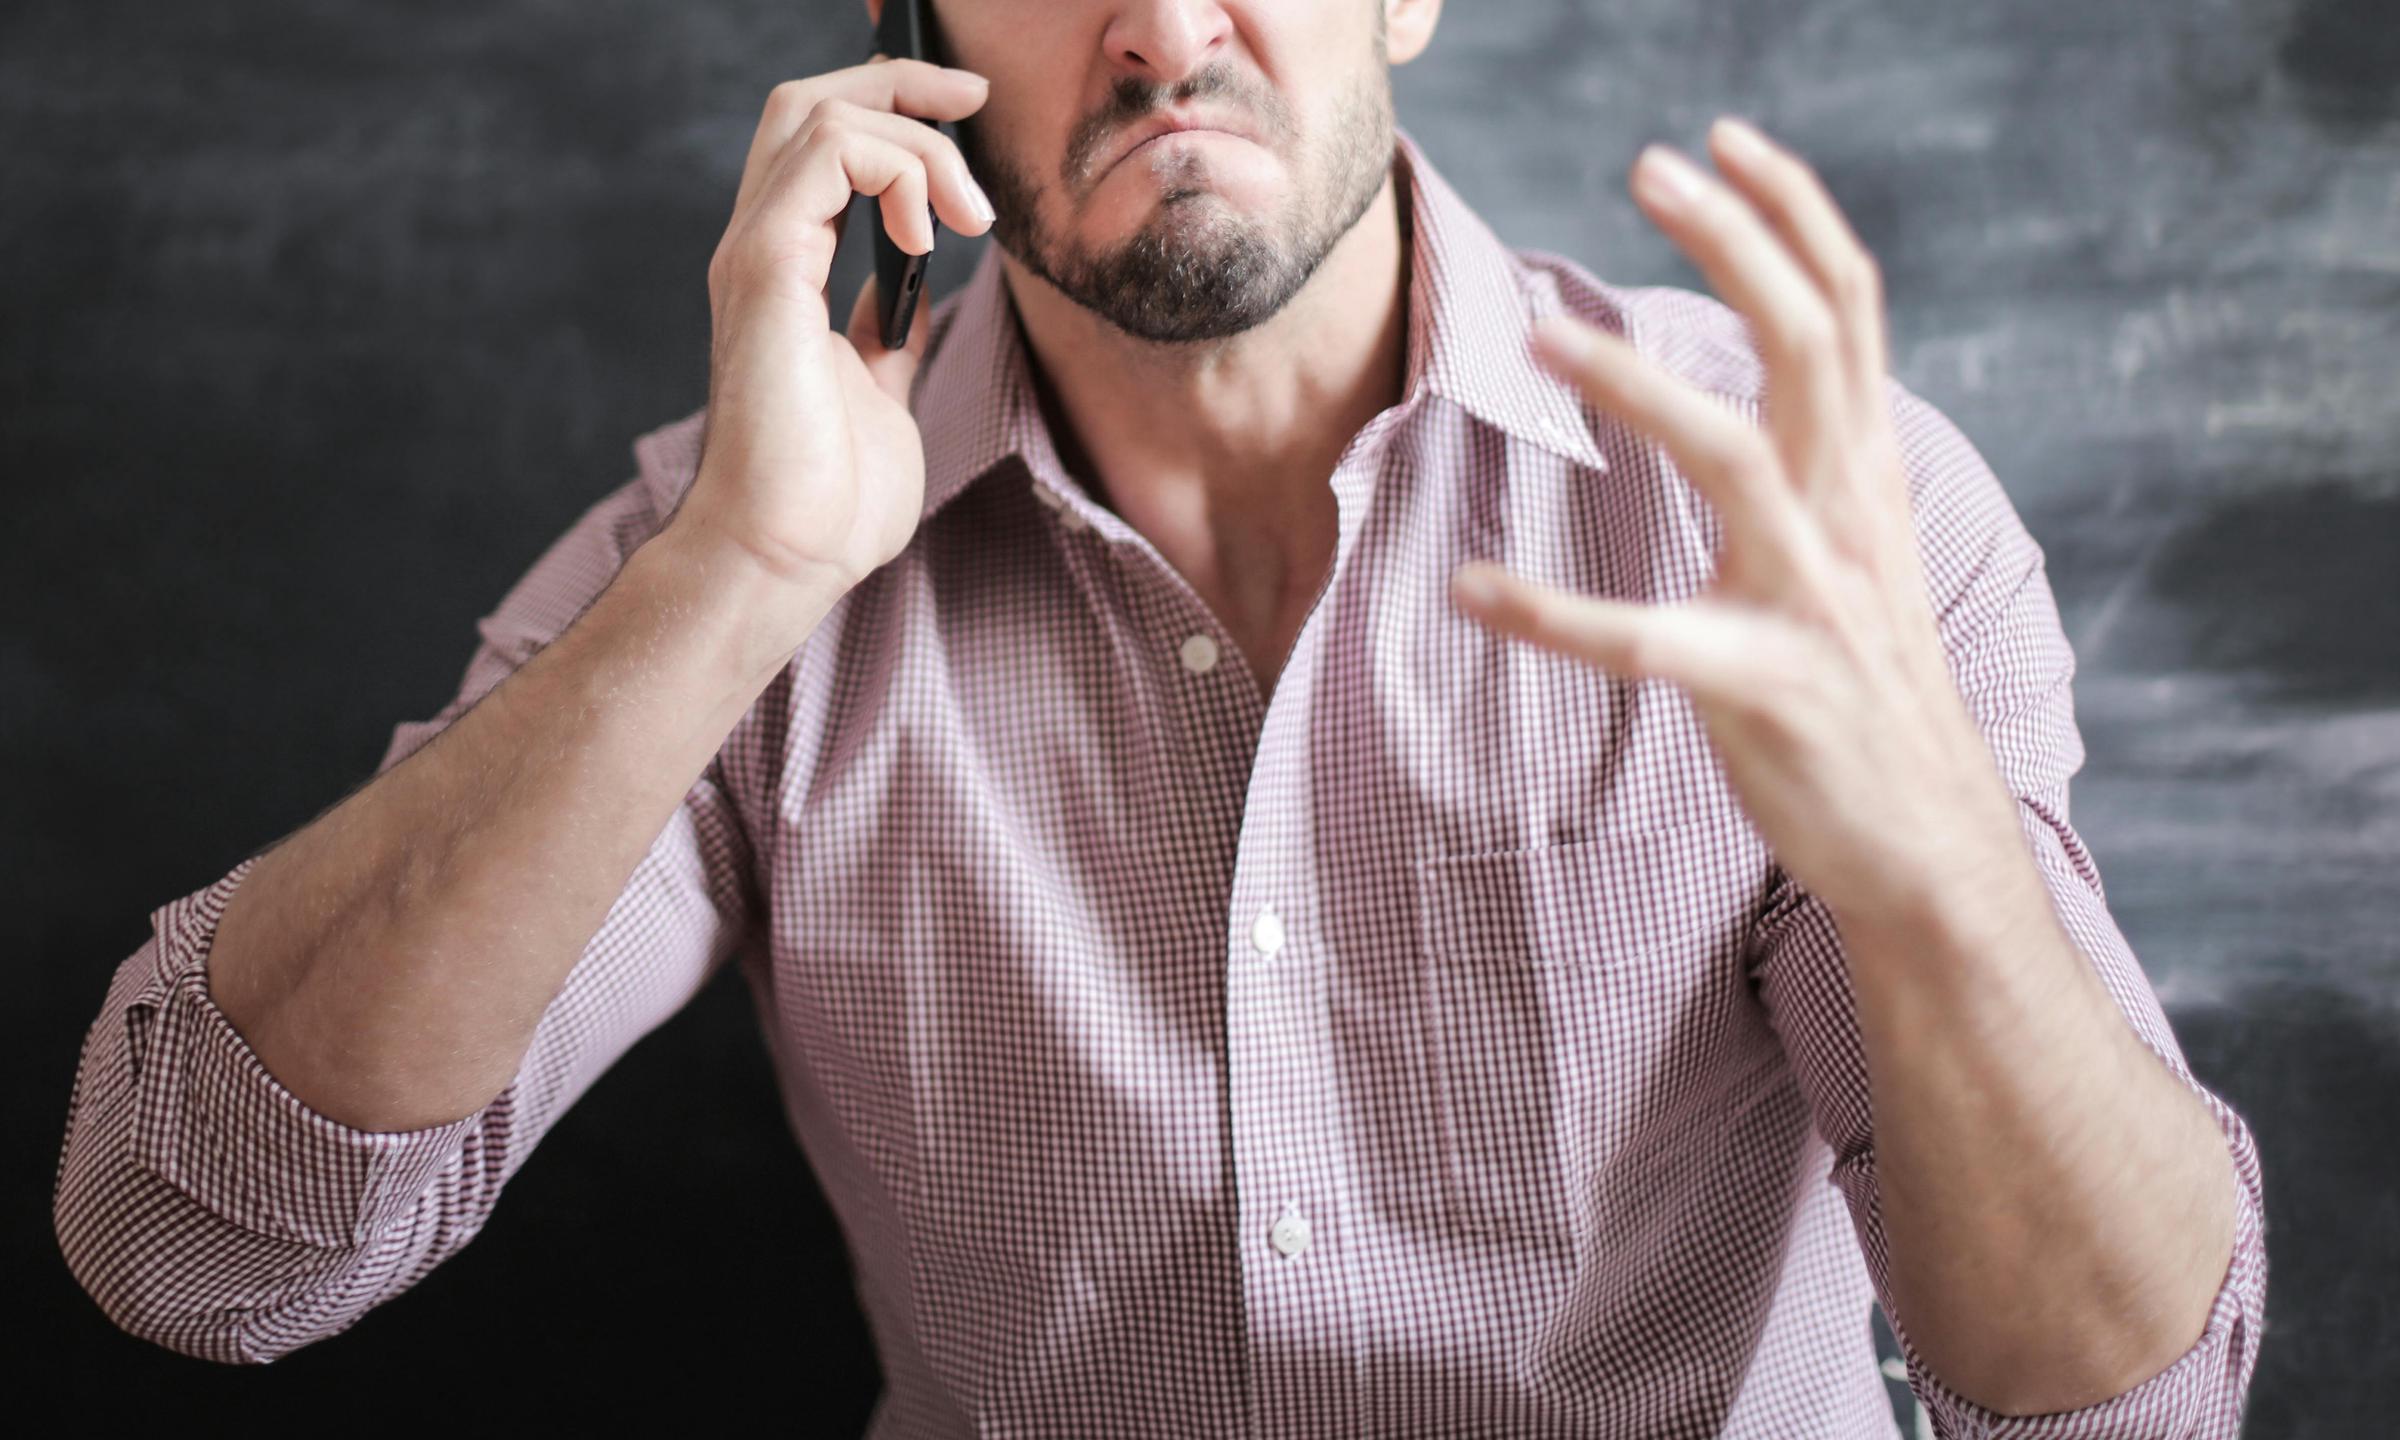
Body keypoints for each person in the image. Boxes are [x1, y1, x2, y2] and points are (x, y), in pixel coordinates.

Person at [53, 2, 2266, 1435]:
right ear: (909, 41)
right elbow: (198, 1243)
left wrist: (1936, 876)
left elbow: (2125, 1412)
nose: (1161, 24)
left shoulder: (1800, 506)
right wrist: (728, 588)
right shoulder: (746, 544)